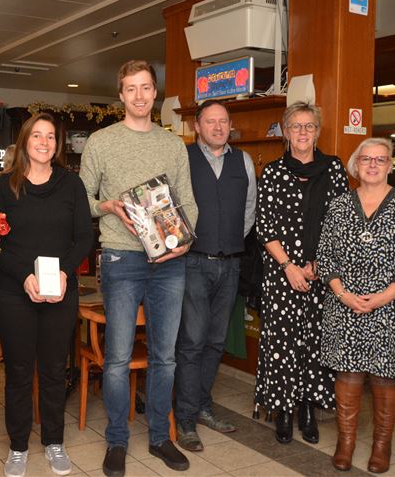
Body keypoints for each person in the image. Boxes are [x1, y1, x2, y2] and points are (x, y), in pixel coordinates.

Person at [79, 60, 198, 477]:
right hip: (121, 259)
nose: (140, 96)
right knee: (116, 359)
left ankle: (160, 439)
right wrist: (108, 205)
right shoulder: (100, 141)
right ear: (121, 95)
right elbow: (82, 199)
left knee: (165, 357)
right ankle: (116, 441)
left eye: (146, 88)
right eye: (131, 89)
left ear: (155, 93)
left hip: (169, 263)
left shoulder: (173, 146)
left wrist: (182, 244)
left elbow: (188, 202)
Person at [0, 113, 93, 477]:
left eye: (51, 137)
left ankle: (54, 442)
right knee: (17, 372)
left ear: (57, 144)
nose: (44, 142)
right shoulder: (2, 186)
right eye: (37, 136)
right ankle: (17, 447)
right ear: (25, 141)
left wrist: (63, 273)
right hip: (14, 292)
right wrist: (24, 276)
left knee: (52, 370)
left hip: (61, 291)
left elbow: (84, 238)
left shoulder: (71, 185)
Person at [317, 138, 395, 473]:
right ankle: (345, 443)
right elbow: (325, 256)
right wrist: (343, 294)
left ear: (390, 165)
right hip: (345, 303)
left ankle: (382, 445)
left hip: (392, 306)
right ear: (356, 164)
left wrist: (381, 297)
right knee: (348, 372)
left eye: (381, 159)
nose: (373, 165)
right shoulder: (338, 206)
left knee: (385, 375)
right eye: (367, 159)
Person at [253, 101, 348, 445]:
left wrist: (320, 263)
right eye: (296, 126)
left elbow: (340, 222)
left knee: (314, 344)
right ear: (286, 132)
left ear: (318, 132)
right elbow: (264, 226)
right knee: (282, 343)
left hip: (322, 275)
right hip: (282, 274)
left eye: (309, 126)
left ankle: (308, 409)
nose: (303, 132)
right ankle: (282, 412)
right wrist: (289, 266)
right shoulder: (275, 172)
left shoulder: (334, 168)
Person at [173, 99, 256, 451]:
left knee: (216, 341)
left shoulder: (244, 161)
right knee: (191, 341)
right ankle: (185, 417)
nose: (218, 127)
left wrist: (229, 238)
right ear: (197, 126)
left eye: (223, 122)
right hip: (193, 261)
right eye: (211, 122)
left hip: (231, 263)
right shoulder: (183, 158)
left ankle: (202, 405)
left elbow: (250, 208)